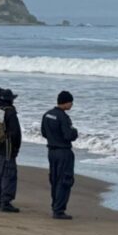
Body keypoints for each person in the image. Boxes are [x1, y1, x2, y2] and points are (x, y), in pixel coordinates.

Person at [41, 91, 78, 220]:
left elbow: (44, 133)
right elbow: (69, 135)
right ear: (66, 102)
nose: (72, 104)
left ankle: (55, 206)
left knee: (55, 179)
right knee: (64, 180)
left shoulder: (47, 114)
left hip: (52, 151)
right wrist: (75, 132)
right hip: (63, 152)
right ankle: (59, 210)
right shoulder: (63, 117)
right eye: (71, 102)